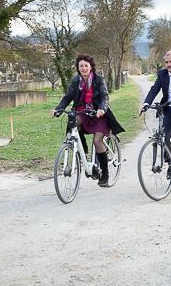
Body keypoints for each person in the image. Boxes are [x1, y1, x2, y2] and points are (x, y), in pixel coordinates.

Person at [53, 53, 125, 187]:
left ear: (91, 67)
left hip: (99, 114)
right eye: (81, 66)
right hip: (83, 112)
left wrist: (102, 109)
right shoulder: (76, 81)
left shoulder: (99, 80)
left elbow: (104, 96)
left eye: (86, 66)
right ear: (78, 68)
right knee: (72, 122)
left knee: (97, 141)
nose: (84, 68)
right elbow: (67, 97)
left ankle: (105, 174)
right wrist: (58, 109)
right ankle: (83, 149)